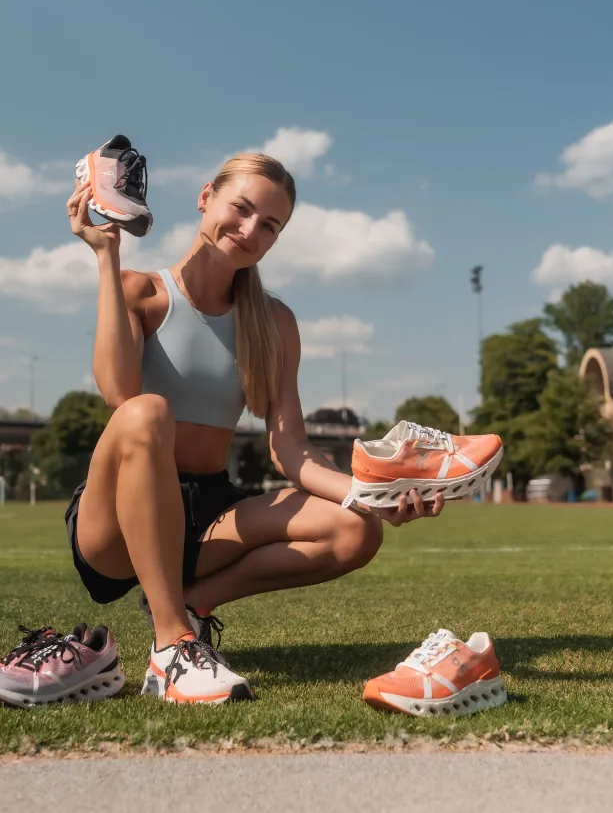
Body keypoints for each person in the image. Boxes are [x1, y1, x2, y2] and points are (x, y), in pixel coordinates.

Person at [64, 151, 446, 704]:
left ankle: (192, 605)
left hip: (211, 514)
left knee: (357, 529)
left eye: (269, 226)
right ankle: (171, 648)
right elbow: (120, 396)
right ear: (205, 197)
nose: (248, 230)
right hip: (120, 522)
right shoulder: (139, 292)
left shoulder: (274, 322)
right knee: (147, 410)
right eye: (240, 209)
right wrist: (106, 256)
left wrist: (374, 495)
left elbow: (291, 451)